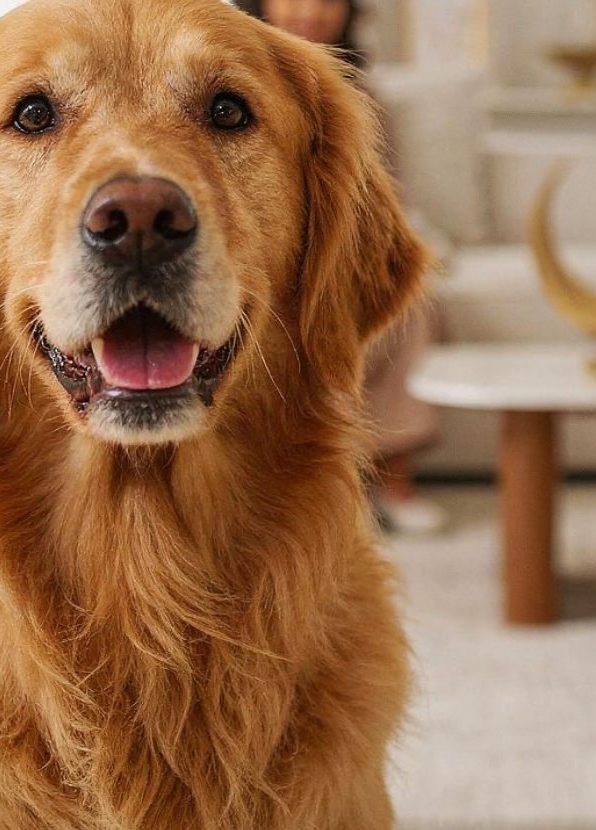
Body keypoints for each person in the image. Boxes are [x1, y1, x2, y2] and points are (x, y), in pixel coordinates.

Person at [239, 0, 449, 535]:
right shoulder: (238, 77)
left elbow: (388, 201)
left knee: (411, 304)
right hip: (257, 250)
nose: (311, 11)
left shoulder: (367, 99)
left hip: (341, 249)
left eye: (328, 0)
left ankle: (391, 483)